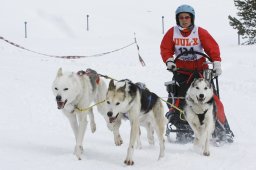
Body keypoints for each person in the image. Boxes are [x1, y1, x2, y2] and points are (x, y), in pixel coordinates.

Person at [160, 4, 234, 144]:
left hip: (200, 72)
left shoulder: (200, 32)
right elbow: (165, 48)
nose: (184, 20)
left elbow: (212, 47)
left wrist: (216, 62)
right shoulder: (172, 32)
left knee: (213, 100)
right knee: (177, 99)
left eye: (187, 17)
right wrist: (169, 61)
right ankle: (182, 126)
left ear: (192, 18)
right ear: (177, 19)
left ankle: (224, 129)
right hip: (181, 71)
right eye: (181, 17)